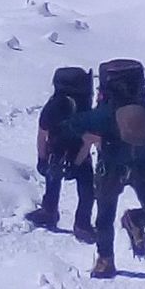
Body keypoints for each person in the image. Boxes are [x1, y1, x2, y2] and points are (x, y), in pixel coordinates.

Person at [68, 57, 145, 279]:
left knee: (111, 217)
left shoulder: (104, 114)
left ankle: (121, 237)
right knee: (136, 215)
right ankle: (106, 257)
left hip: (119, 167)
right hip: (135, 165)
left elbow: (74, 124)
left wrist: (89, 137)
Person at [25, 65, 96, 242]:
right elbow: (89, 139)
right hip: (75, 150)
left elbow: (42, 133)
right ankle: (82, 224)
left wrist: (42, 158)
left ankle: (50, 211)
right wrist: (79, 161)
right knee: (86, 188)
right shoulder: (84, 107)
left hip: (57, 151)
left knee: (54, 177)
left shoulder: (53, 106)